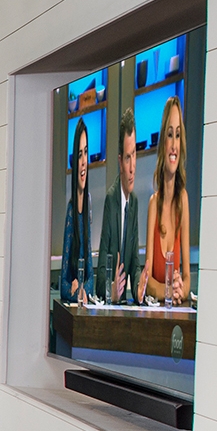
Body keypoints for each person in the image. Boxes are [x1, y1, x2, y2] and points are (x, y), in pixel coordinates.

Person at [139, 96, 193, 306]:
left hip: (176, 315)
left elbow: (187, 277)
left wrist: (181, 289)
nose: (174, 145)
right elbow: (148, 280)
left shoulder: (183, 201)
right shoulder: (153, 204)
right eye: (170, 135)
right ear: (163, 143)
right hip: (155, 317)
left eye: (178, 136)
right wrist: (168, 290)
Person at [97, 108, 141, 304]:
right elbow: (100, 277)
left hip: (125, 307)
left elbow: (135, 266)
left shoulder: (135, 204)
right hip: (109, 307)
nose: (132, 168)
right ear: (120, 161)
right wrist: (111, 291)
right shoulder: (111, 200)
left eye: (134, 156)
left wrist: (139, 288)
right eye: (127, 158)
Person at [57, 121, 94, 304]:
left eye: (86, 153)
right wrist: (74, 292)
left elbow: (91, 277)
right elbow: (62, 284)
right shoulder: (71, 212)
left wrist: (83, 290)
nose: (83, 162)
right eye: (80, 155)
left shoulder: (87, 208)